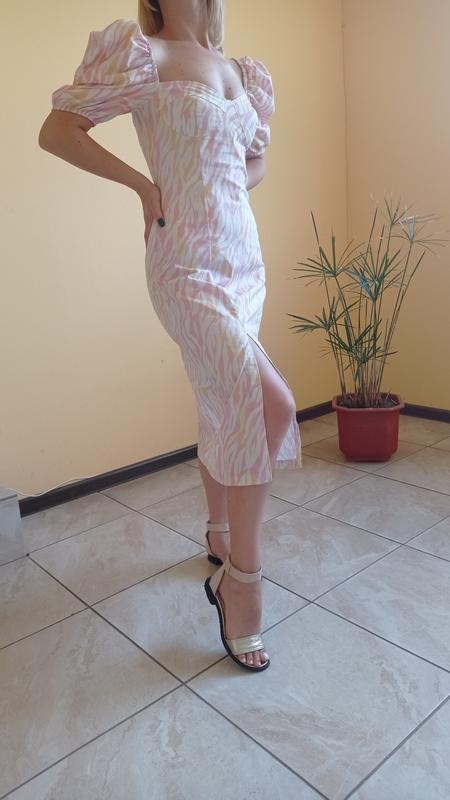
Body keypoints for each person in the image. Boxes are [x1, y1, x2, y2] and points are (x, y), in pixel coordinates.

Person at [38, 0, 302, 673]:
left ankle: (219, 532)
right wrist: (143, 188)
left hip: (244, 262)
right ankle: (242, 583)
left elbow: (255, 164)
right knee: (269, 404)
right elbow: (58, 131)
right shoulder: (143, 56)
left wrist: (227, 179)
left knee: (224, 401)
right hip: (184, 261)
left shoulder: (240, 71)